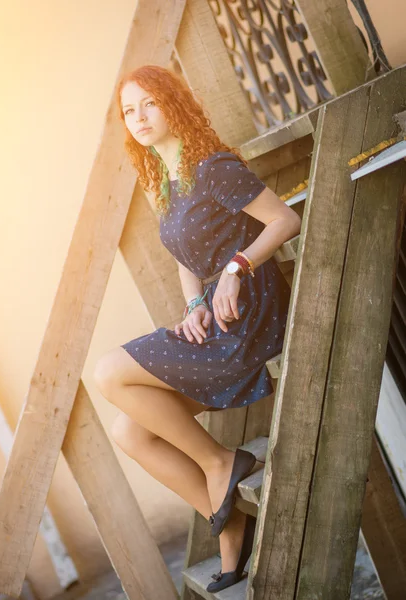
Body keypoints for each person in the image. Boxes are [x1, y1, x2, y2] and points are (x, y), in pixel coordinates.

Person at [93, 64, 301, 592]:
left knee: (110, 372)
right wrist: (191, 307)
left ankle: (220, 461)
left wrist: (236, 268)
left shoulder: (212, 166)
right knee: (128, 432)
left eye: (148, 104)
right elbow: (185, 256)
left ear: (171, 103)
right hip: (215, 311)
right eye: (128, 110)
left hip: (251, 311)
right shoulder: (165, 177)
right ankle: (227, 516)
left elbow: (284, 220)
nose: (138, 117)